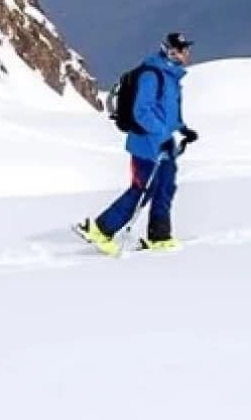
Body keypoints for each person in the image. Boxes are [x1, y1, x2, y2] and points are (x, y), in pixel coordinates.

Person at [76, 32, 198, 255]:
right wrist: (162, 136)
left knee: (165, 188)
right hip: (146, 144)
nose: (186, 53)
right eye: (182, 49)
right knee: (142, 190)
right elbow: (141, 112)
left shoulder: (171, 77)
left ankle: (159, 236)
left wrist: (182, 128)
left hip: (163, 143)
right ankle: (101, 229)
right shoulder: (152, 75)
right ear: (170, 51)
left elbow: (166, 112)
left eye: (186, 48)